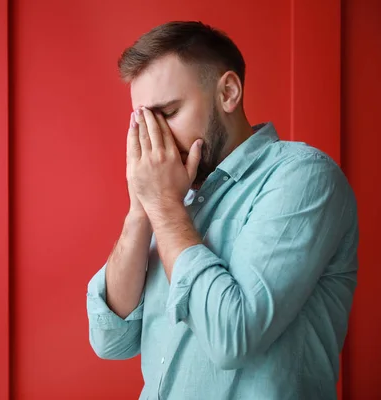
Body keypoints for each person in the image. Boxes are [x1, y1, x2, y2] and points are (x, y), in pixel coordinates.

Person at [86, 21, 358, 400]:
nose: (156, 141)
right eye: (144, 122)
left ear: (228, 92)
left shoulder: (303, 176)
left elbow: (233, 337)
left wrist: (163, 207)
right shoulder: (174, 200)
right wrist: (141, 209)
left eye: (168, 113)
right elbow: (109, 339)